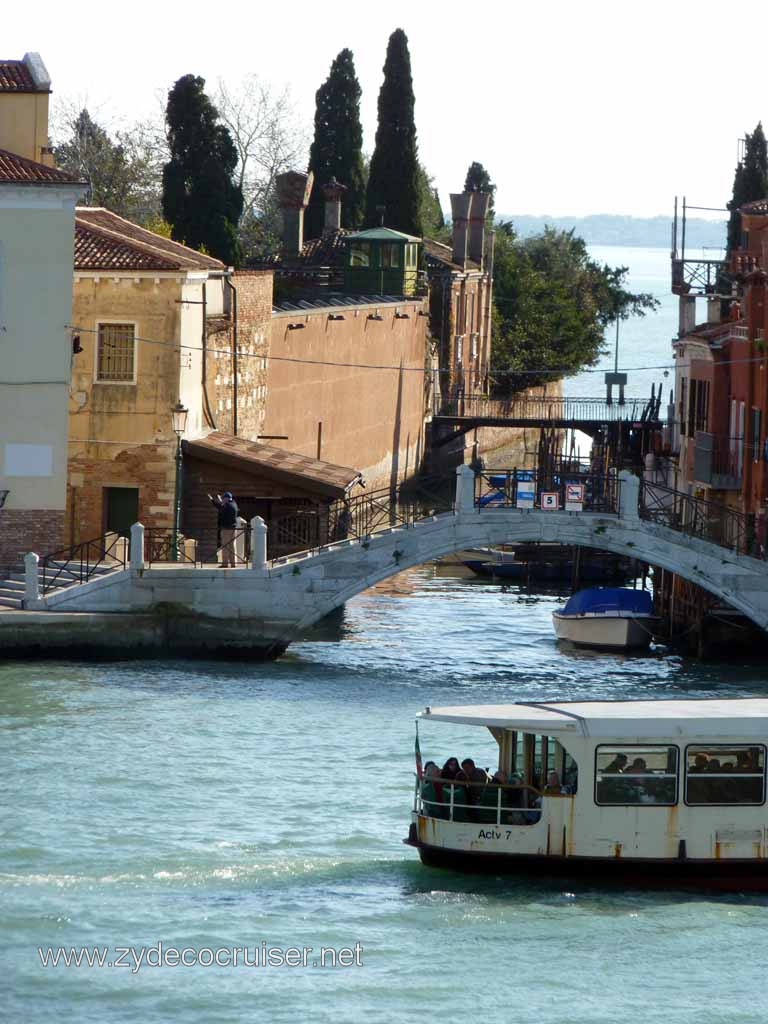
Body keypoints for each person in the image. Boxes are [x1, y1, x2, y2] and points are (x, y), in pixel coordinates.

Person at [208, 491, 239, 567]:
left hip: (226, 529)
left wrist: (212, 500)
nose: (223, 500)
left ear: (226, 498)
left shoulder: (227, 505)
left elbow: (219, 507)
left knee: (225, 546)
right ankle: (233, 563)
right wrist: (220, 501)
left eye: (223, 498)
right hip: (233, 528)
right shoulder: (234, 504)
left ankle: (225, 563)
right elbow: (222, 506)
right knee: (232, 546)